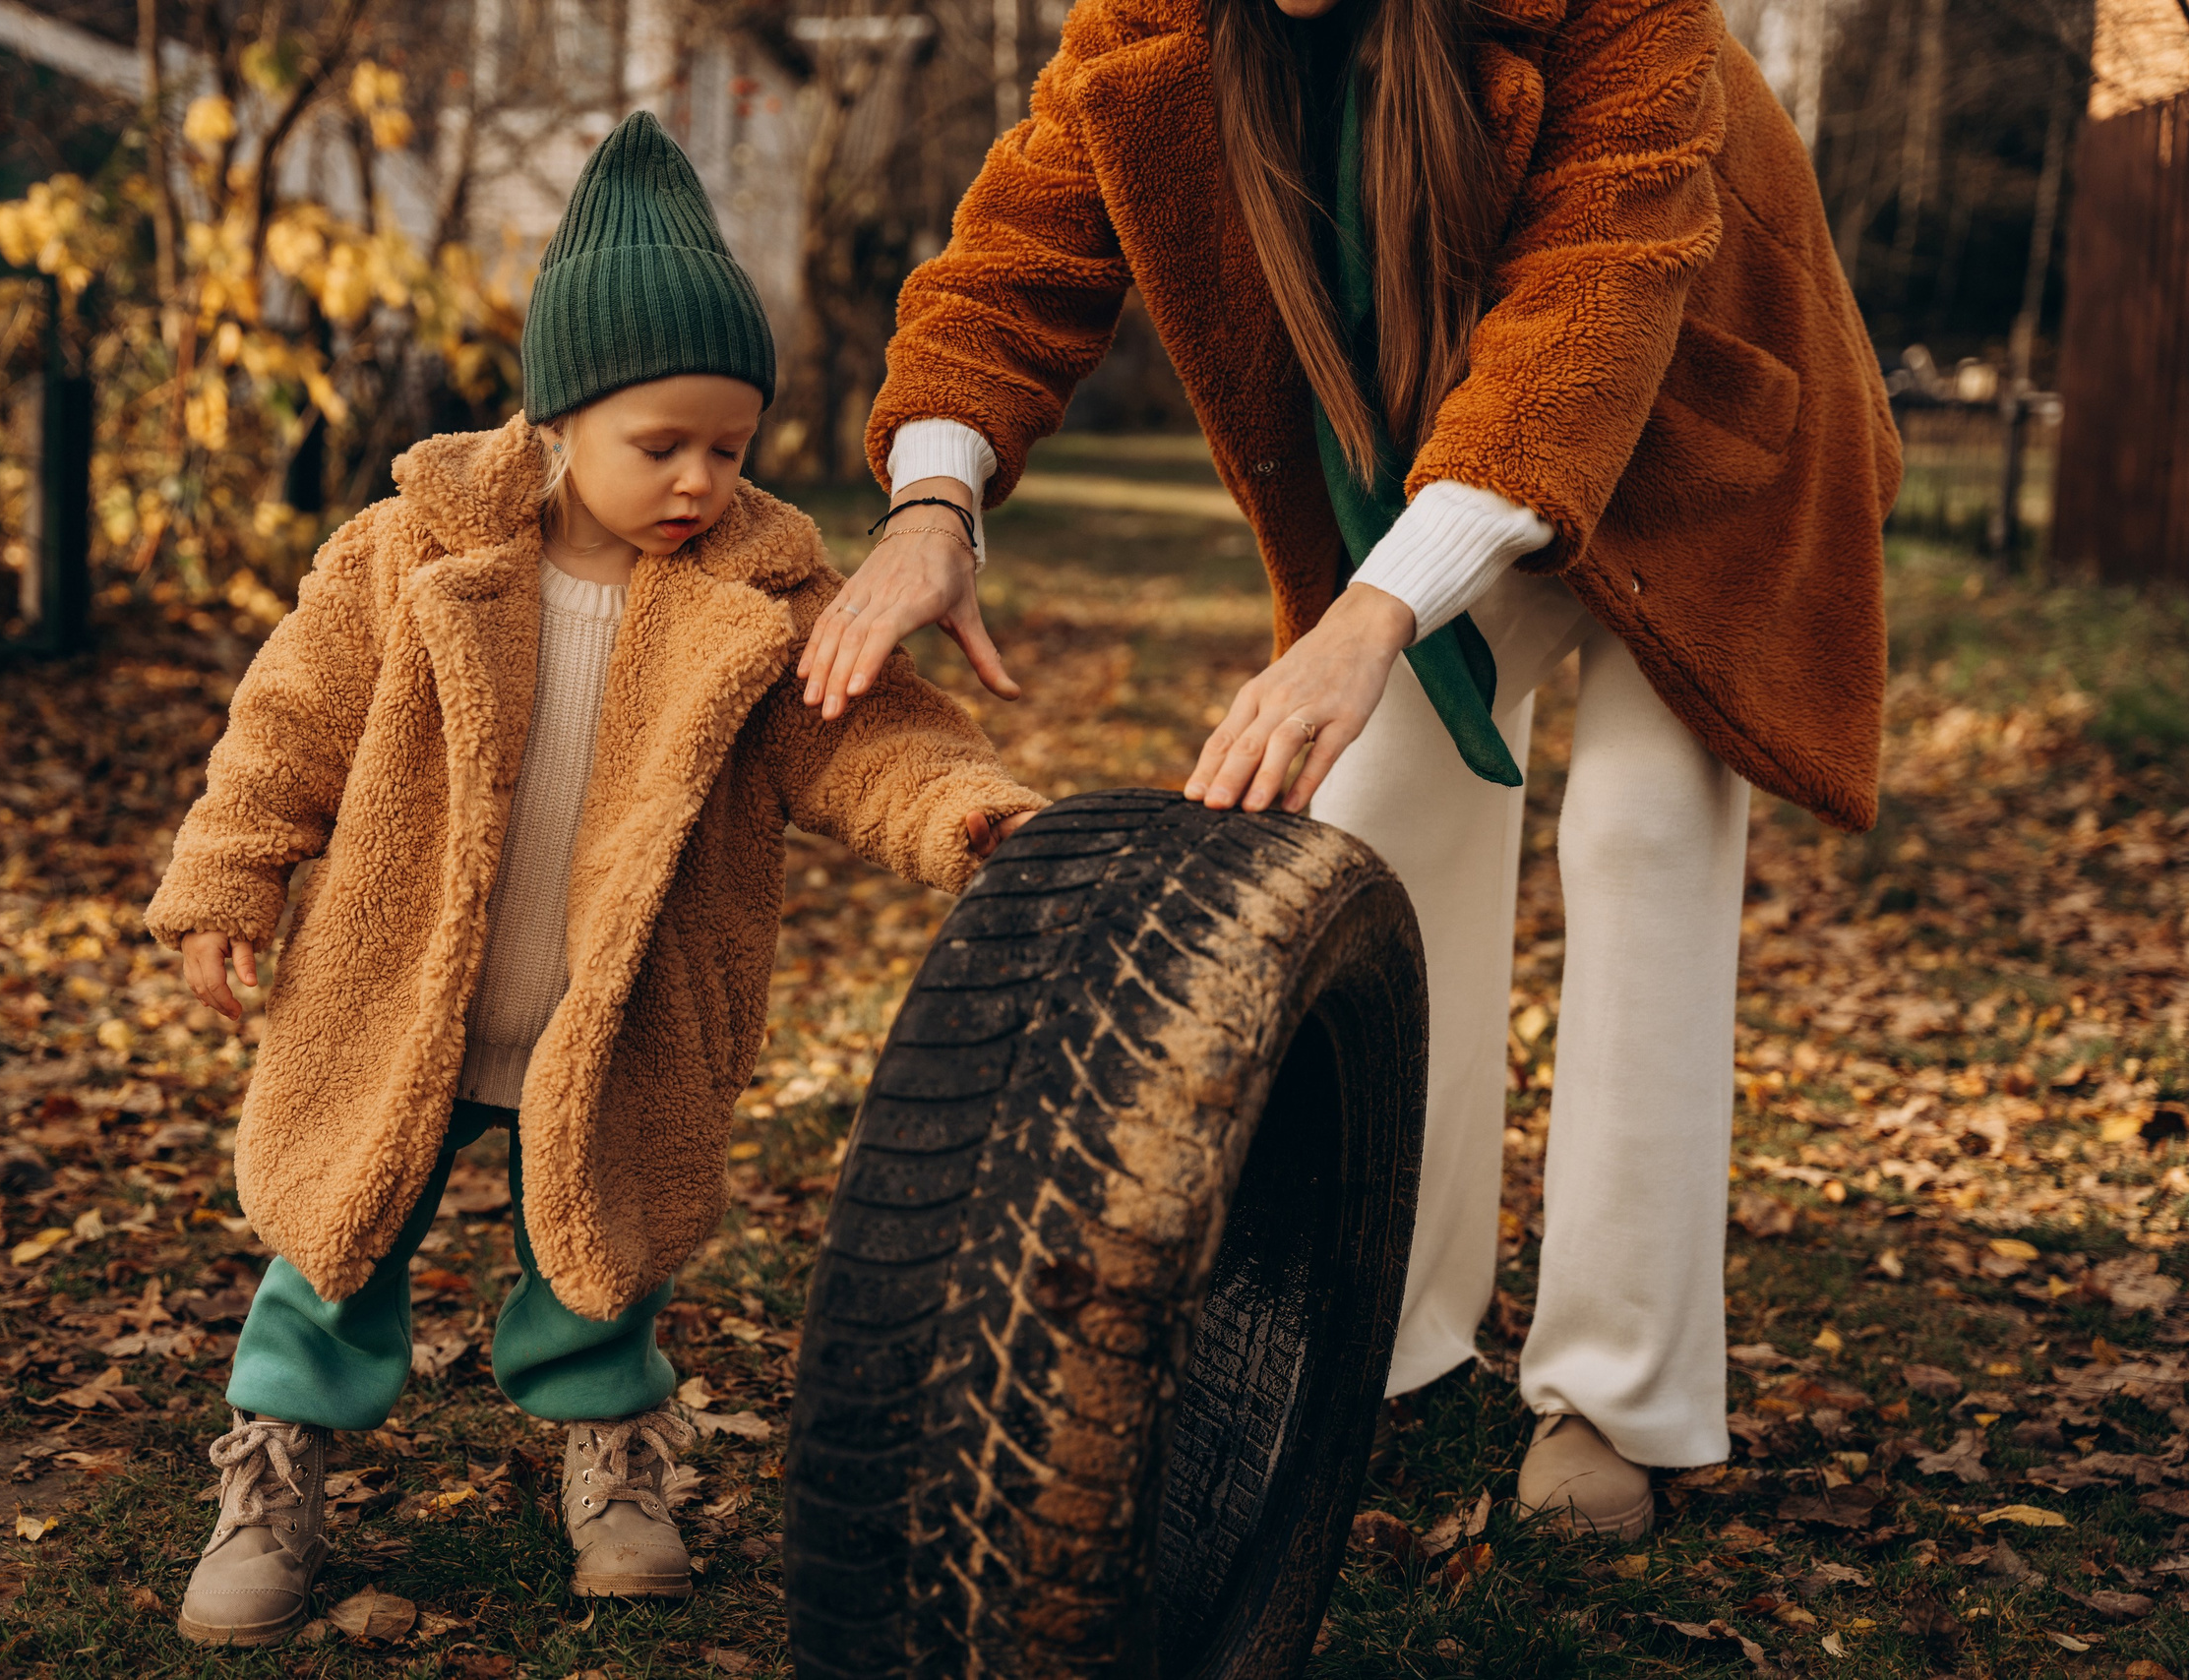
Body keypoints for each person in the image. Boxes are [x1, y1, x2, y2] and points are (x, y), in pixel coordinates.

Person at [806, 0, 1898, 1540]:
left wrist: (1373, 612)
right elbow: (1019, 254)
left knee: (1643, 842)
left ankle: (1614, 1394)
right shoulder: (1152, 24)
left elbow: (1590, 303)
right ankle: (1387, 1328)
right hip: (1443, 438)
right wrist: (933, 502)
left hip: (1699, 420)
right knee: (1376, 836)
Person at [144, 113, 1043, 1648]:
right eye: (660, 444)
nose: (700, 479)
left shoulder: (758, 597)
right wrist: (230, 876)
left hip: (612, 1006)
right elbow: (286, 724)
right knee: (334, 1228)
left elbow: (869, 734)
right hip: (404, 978)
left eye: (732, 447)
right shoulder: (405, 556)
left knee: (604, 1241)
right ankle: (275, 1466)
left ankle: (615, 1465)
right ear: (558, 421)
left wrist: (969, 811)